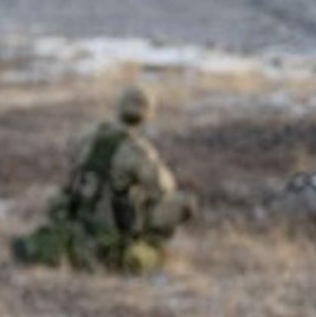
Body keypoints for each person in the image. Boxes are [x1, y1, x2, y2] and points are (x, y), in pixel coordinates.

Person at [14, 81, 194, 274]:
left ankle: (61, 246)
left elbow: (73, 158)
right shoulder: (137, 150)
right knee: (182, 203)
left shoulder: (88, 135)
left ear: (119, 106)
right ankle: (144, 251)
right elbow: (163, 188)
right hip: (108, 230)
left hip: (78, 217)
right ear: (148, 113)